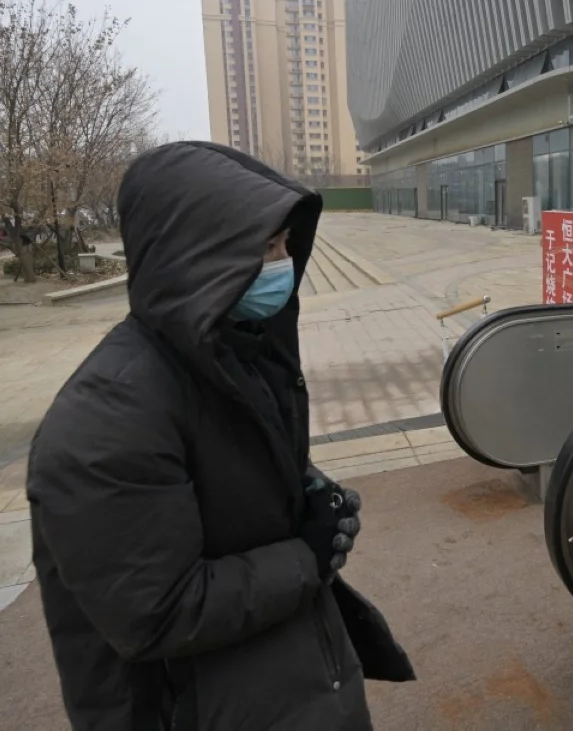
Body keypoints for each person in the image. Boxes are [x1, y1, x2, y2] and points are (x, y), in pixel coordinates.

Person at [25, 141, 415, 730]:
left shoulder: (234, 354)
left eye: (285, 245)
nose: (283, 264)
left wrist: (308, 496)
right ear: (196, 257)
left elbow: (231, 490)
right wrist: (306, 555)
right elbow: (156, 611)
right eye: (264, 248)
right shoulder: (107, 422)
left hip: (293, 687)